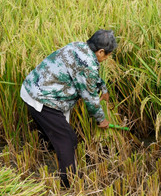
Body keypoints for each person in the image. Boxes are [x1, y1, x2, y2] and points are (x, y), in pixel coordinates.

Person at [20, 29, 117, 187]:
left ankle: (49, 156)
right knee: (67, 139)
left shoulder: (78, 47)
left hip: (31, 88)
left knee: (58, 134)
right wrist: (101, 119)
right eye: (107, 55)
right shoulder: (89, 65)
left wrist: (103, 87)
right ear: (100, 52)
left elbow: (87, 75)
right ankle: (69, 182)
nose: (106, 58)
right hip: (43, 98)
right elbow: (90, 97)